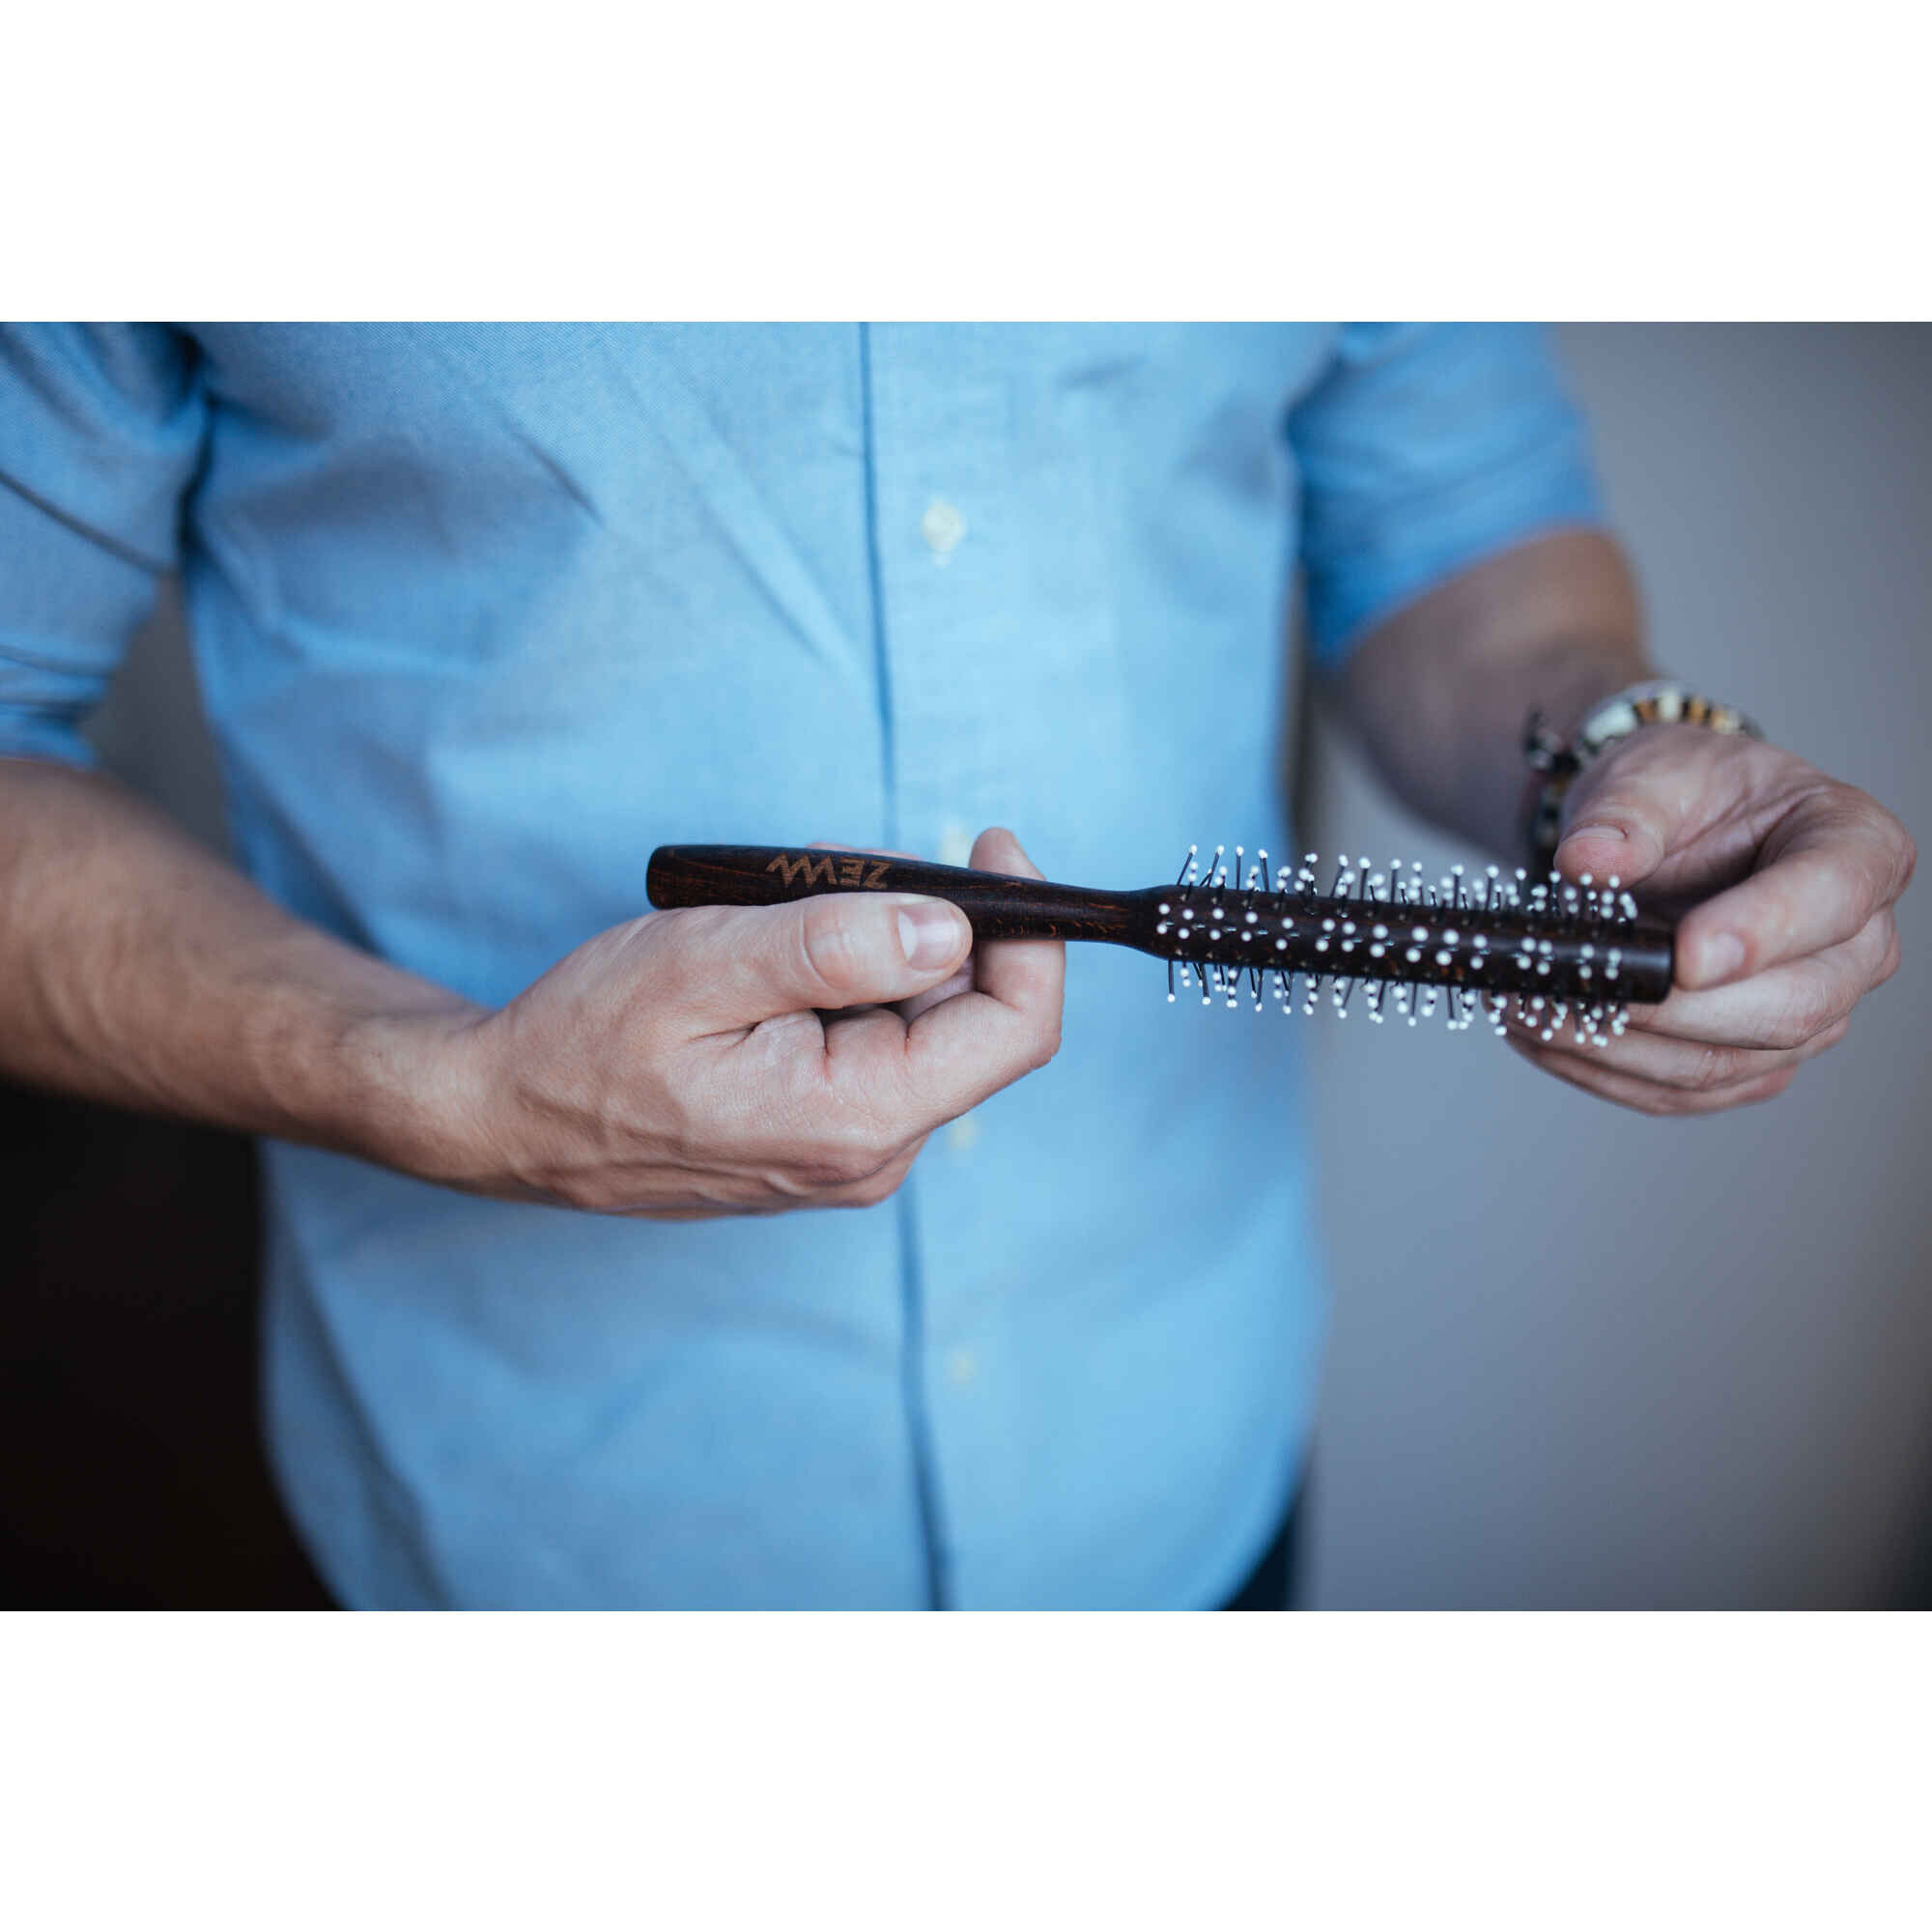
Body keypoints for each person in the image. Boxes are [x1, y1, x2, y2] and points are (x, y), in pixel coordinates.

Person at [0, 325, 1912, 1609]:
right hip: (537, 1557)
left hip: (1179, 1476)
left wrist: (1610, 737)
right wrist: (443, 1082)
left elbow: (1457, 511)